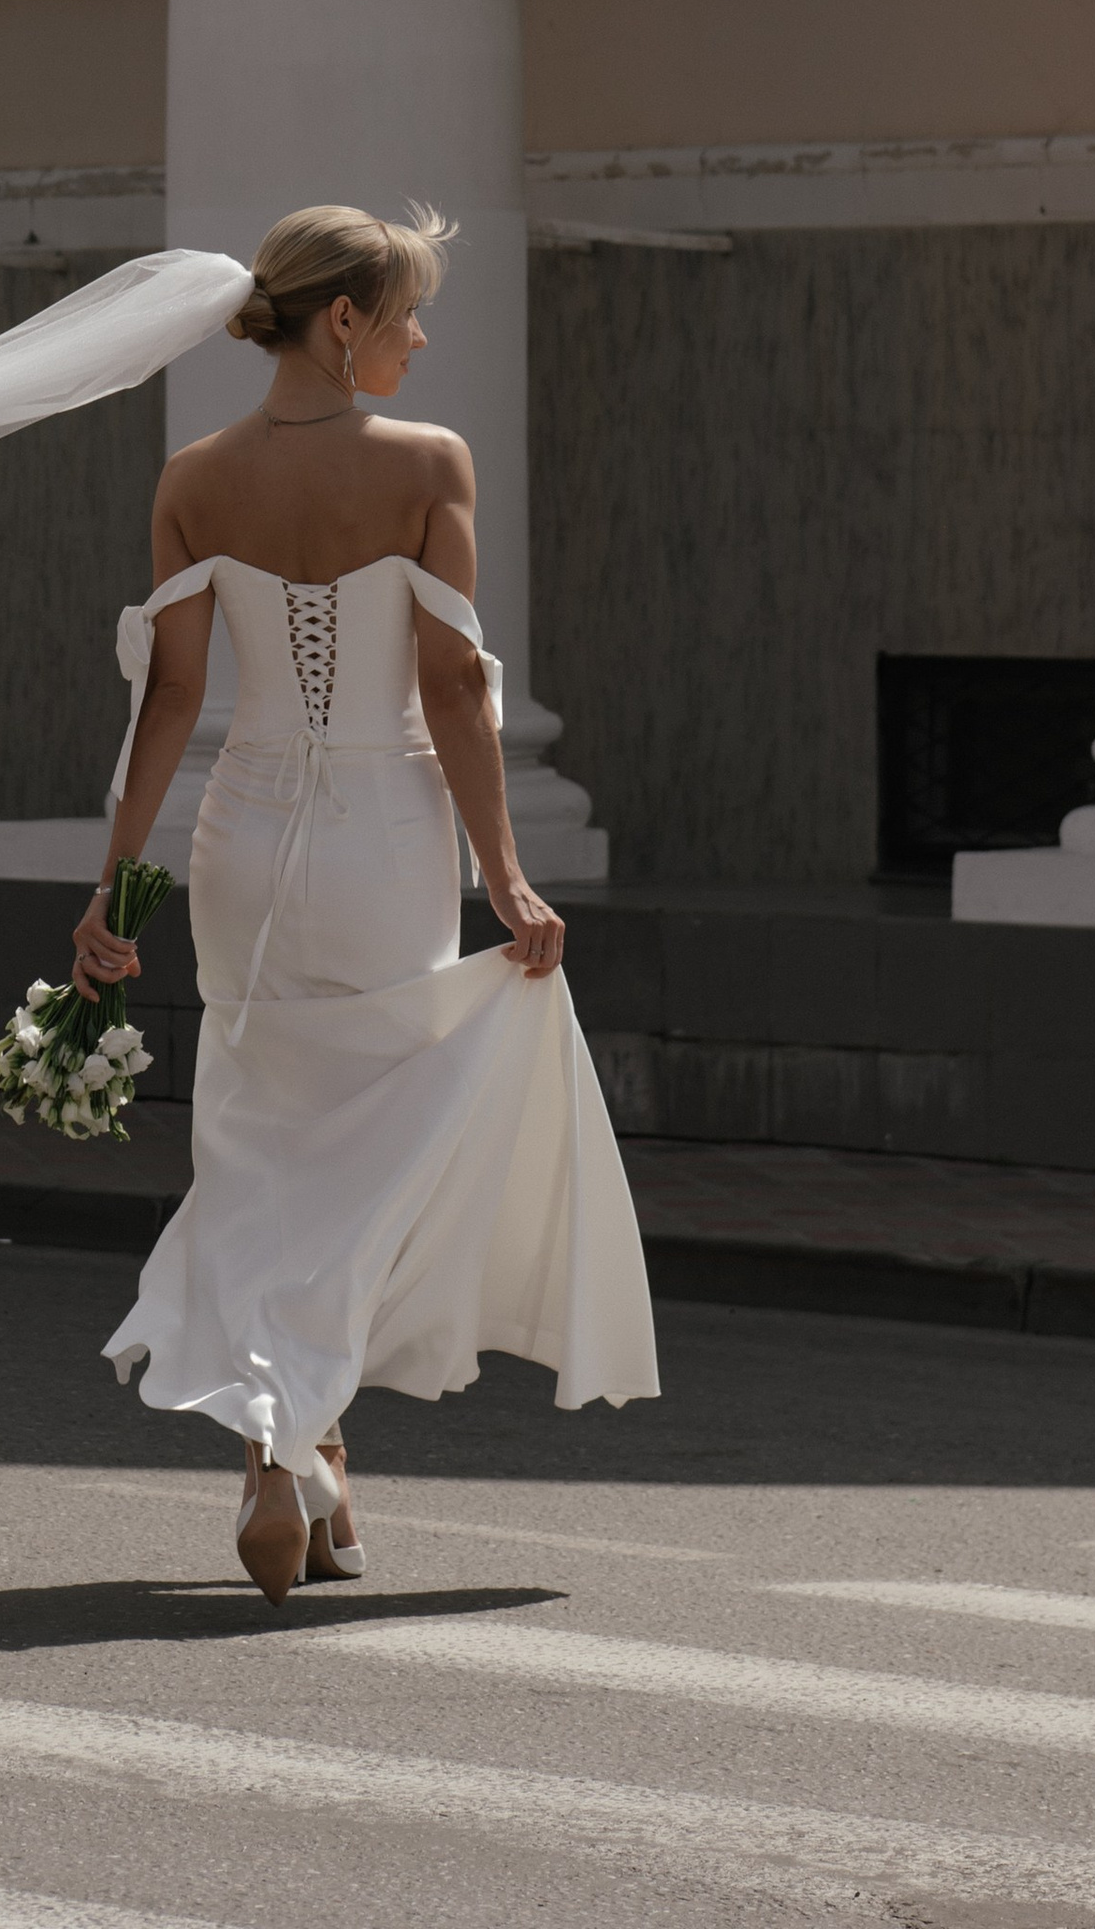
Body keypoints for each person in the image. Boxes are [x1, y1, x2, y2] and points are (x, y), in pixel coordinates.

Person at [84, 203, 657, 1603]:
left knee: (262, 1140)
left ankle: (296, 1457)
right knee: (369, 1149)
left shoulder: (195, 476)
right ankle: (292, 1453)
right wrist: (507, 872)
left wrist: (117, 886)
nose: (420, 336)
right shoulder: (426, 463)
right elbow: (454, 687)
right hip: (387, 838)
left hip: (239, 833)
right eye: (405, 311)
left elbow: (172, 698)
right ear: (342, 320)